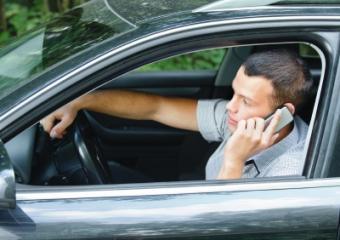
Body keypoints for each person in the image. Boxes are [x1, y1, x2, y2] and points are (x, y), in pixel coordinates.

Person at [40, 49, 313, 180]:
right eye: (233, 94)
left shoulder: (290, 172)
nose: (230, 107)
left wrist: (234, 161)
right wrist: (83, 100)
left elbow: (219, 228)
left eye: (245, 101)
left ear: (282, 114)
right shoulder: (238, 120)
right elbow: (157, 107)